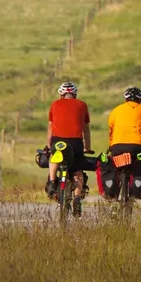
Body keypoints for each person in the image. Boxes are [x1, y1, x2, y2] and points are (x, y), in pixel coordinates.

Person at [44, 81, 92, 216]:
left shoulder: (54, 104)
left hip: (58, 141)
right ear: (74, 94)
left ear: (61, 94)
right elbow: (86, 130)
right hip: (76, 143)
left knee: (54, 157)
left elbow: (50, 128)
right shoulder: (82, 105)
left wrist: (49, 146)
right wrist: (87, 147)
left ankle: (53, 182)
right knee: (77, 172)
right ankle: (77, 198)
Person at [99, 86, 141, 200]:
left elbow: (111, 132)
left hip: (117, 146)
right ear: (140, 99)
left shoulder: (116, 110)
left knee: (114, 165)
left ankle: (110, 192)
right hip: (137, 147)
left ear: (126, 99)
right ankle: (140, 191)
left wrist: (111, 146)